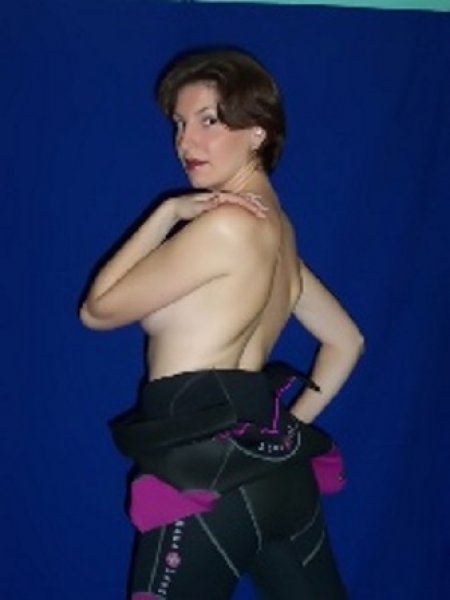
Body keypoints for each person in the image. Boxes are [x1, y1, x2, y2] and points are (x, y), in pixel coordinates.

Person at [80, 48, 364, 600]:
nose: (186, 142)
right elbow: (346, 341)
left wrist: (166, 213)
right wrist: (286, 433)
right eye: (179, 124)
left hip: (206, 482)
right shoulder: (279, 234)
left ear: (258, 131)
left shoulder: (225, 226)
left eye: (208, 121)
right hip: (281, 481)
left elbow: (97, 311)